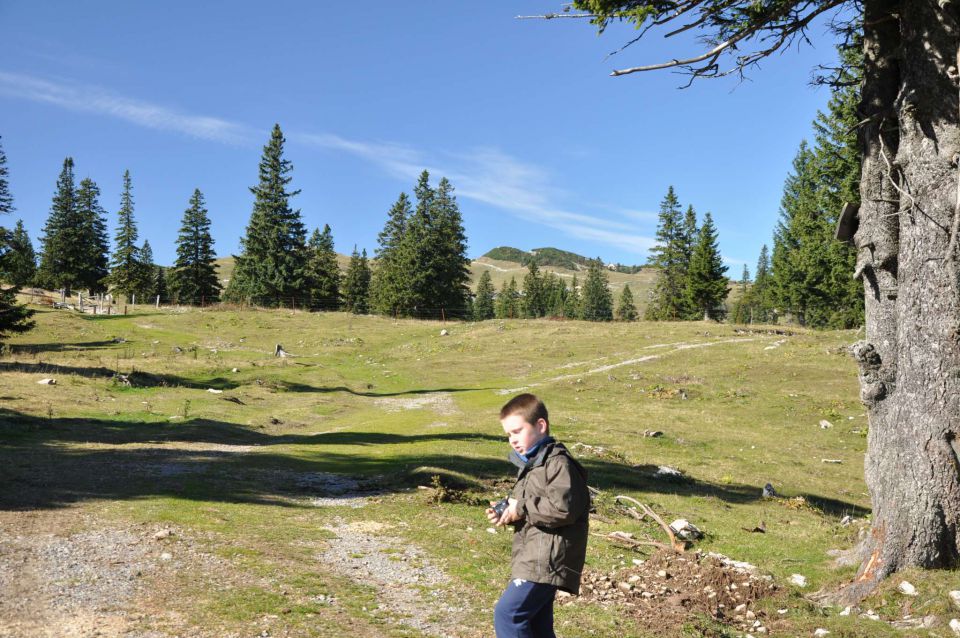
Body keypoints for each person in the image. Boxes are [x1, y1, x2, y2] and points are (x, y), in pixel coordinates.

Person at [487, 393, 590, 638]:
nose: (512, 440)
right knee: (537, 627)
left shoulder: (557, 464)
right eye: (508, 434)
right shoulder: (534, 464)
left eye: (517, 431)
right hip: (533, 554)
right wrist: (507, 511)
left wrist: (520, 508)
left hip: (546, 558)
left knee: (509, 614)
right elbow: (534, 505)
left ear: (540, 426)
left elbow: (563, 509)